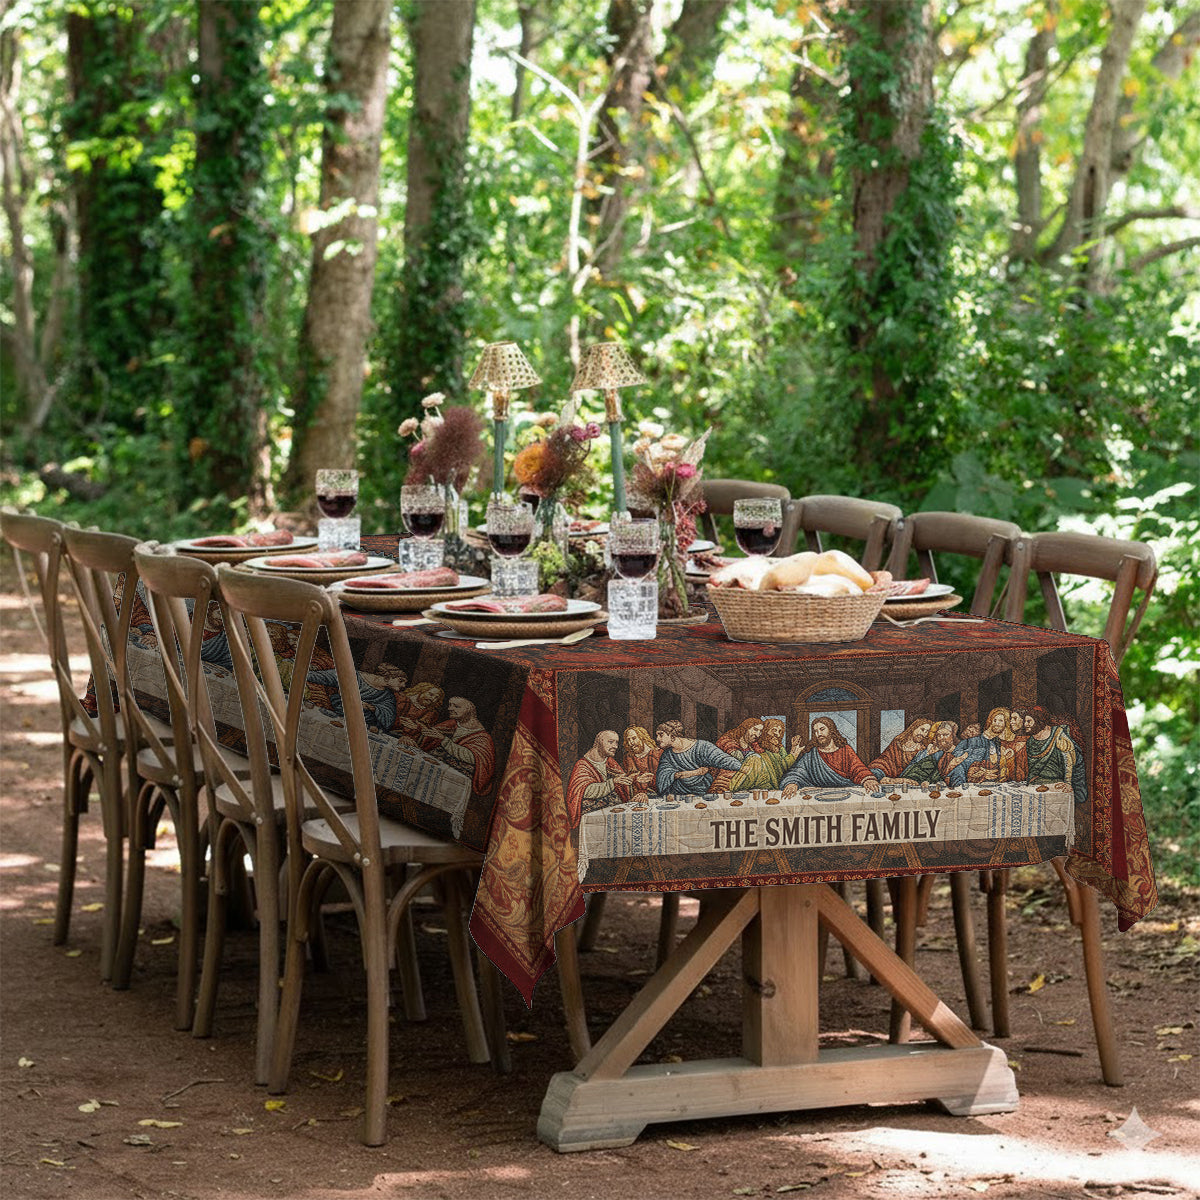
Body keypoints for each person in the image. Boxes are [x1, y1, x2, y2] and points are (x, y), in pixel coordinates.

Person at [780, 717, 876, 795]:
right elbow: (798, 771)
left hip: (846, 793)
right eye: (815, 731)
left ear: (831, 730)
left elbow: (857, 768)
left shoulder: (845, 750)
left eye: (822, 729)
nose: (819, 734)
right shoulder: (812, 754)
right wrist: (792, 783)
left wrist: (867, 779)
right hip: (817, 795)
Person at [420, 696, 496, 794]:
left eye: (456, 706)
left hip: (457, 777)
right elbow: (430, 734)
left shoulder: (483, 737)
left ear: (468, 710)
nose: (450, 709)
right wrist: (418, 729)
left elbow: (472, 757)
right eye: (450, 705)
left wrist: (444, 740)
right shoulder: (453, 723)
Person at [654, 720, 742, 797]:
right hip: (676, 796)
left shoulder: (702, 747)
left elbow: (723, 759)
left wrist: (742, 767)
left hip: (702, 794)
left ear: (673, 736)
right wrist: (695, 772)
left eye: (661, 735)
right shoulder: (667, 755)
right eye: (657, 735)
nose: (657, 739)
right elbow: (662, 778)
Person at [566, 730, 637, 823]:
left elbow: (623, 781)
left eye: (616, 742)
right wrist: (613, 782)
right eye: (611, 742)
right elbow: (585, 791)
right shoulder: (582, 765)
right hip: (593, 816)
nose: (615, 746)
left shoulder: (609, 761)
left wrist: (634, 780)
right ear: (599, 743)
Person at [1025, 706, 1087, 805]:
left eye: (1029, 721)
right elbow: (1032, 769)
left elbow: (1069, 762)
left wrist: (1068, 783)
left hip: (1058, 784)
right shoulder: (1030, 742)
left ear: (1039, 720)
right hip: (1036, 784)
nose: (1025, 725)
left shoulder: (1058, 736)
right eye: (1025, 721)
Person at [945, 707, 1009, 787]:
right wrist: (979, 772)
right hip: (967, 786)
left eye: (1001, 721)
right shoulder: (971, 741)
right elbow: (955, 763)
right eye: (994, 720)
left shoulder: (999, 743)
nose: (997, 723)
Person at [730, 718, 797, 791]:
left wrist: (793, 752)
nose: (777, 734)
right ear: (766, 731)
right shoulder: (758, 747)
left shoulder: (779, 747)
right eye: (774, 730)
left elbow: (784, 766)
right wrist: (794, 753)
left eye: (779, 731)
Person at [709, 717, 765, 792]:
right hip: (725, 783)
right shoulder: (727, 741)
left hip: (746, 784)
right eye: (755, 729)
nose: (758, 735)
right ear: (745, 728)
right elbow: (736, 757)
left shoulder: (754, 747)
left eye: (760, 731)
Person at [869, 718, 933, 784]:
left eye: (927, 732)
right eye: (922, 730)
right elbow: (885, 759)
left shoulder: (923, 750)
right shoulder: (898, 742)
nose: (923, 734)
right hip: (890, 777)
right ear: (914, 727)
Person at [621, 725, 661, 793]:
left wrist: (653, 779)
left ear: (642, 738)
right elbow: (626, 778)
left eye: (634, 738)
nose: (631, 743)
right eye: (628, 740)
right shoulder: (628, 757)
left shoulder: (658, 753)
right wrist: (636, 778)